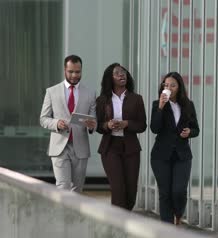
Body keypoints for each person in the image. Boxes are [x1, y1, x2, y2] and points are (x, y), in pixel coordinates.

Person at [40, 55, 97, 192]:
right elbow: (43, 118)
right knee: (63, 187)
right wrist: (57, 123)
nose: (74, 75)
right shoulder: (52, 91)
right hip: (59, 147)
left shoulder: (90, 93)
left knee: (77, 190)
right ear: (65, 70)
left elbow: (94, 120)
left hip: (80, 147)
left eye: (78, 72)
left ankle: (72, 214)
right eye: (71, 71)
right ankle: (60, 214)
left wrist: (92, 125)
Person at [150, 72, 200, 225]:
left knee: (178, 191)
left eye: (172, 85)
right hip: (161, 156)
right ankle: (167, 228)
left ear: (179, 87)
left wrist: (189, 132)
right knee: (165, 193)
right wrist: (160, 107)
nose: (168, 88)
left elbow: (196, 129)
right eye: (166, 85)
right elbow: (154, 128)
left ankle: (178, 214)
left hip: (182, 155)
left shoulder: (188, 105)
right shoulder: (156, 104)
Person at [95, 63, 147, 210]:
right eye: (117, 73)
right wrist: (107, 125)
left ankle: (125, 219)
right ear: (110, 78)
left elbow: (142, 125)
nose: (121, 75)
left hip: (131, 148)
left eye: (123, 72)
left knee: (131, 191)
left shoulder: (136, 99)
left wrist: (126, 124)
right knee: (118, 189)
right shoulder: (102, 100)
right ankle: (118, 227)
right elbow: (97, 125)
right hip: (110, 148)